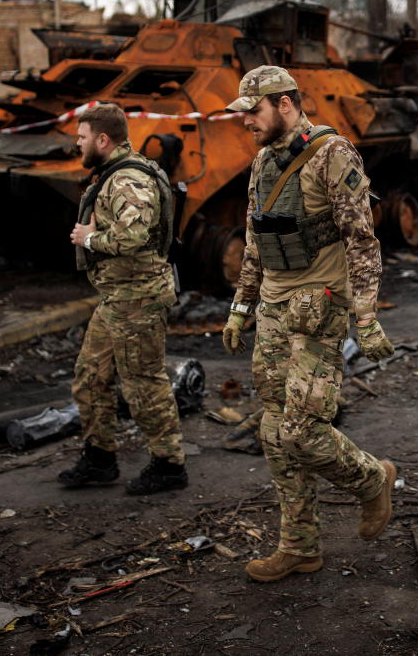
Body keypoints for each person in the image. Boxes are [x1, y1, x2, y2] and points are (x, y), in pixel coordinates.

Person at [220, 65, 396, 583]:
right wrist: (241, 304)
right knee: (275, 431)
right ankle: (299, 546)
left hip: (318, 308)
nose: (247, 121)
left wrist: (365, 315)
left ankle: (371, 480)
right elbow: (255, 240)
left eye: (254, 110)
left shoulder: (331, 155)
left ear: (287, 103)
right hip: (273, 310)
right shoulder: (261, 163)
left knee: (301, 430)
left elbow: (362, 240)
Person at [60, 103, 189, 495]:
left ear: (102, 139)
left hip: (139, 298)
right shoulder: (113, 173)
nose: (78, 145)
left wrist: (89, 239)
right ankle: (100, 458)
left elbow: (133, 237)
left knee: (143, 382)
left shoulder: (128, 180)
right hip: (118, 296)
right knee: (91, 375)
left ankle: (169, 465)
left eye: (81, 138)